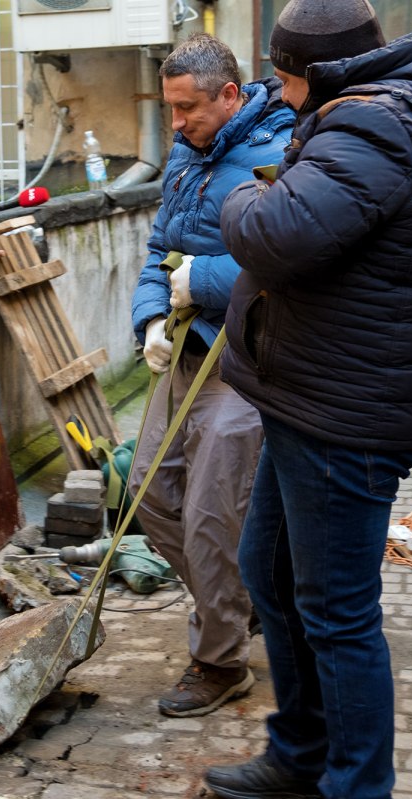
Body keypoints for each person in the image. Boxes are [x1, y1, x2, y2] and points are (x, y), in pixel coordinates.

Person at [206, 1, 412, 797]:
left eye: (280, 74)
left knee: (338, 613)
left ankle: (355, 784)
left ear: (315, 70)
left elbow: (273, 233)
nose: (276, 90)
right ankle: (301, 753)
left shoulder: (374, 129)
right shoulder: (372, 116)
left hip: (344, 415)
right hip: (311, 398)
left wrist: (238, 200)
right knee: (267, 572)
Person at [127, 33, 294, 718]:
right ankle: (242, 603)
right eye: (169, 109)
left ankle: (219, 660)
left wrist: (206, 280)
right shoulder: (185, 156)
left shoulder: (282, 154)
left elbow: (288, 262)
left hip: (248, 359)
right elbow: (159, 250)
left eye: (188, 109)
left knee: (208, 515)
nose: (177, 124)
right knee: (147, 492)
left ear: (229, 96)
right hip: (186, 347)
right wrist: (146, 319)